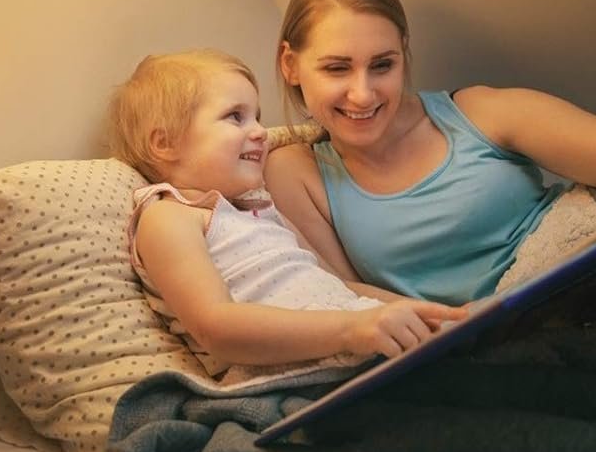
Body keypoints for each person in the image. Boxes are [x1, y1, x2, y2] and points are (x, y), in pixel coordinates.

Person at [266, 0, 596, 306]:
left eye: (382, 65)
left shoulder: (479, 114)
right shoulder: (295, 173)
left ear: (403, 53)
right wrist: (462, 325)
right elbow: (347, 299)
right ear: (290, 64)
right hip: (484, 344)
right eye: (337, 68)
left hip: (591, 278)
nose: (363, 93)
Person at [110, 49, 464, 371]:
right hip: (291, 370)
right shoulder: (169, 216)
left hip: (360, 347)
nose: (261, 132)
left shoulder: (263, 210)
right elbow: (216, 327)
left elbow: (342, 286)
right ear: (165, 143)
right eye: (235, 117)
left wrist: (433, 316)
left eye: (257, 117)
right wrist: (352, 330)